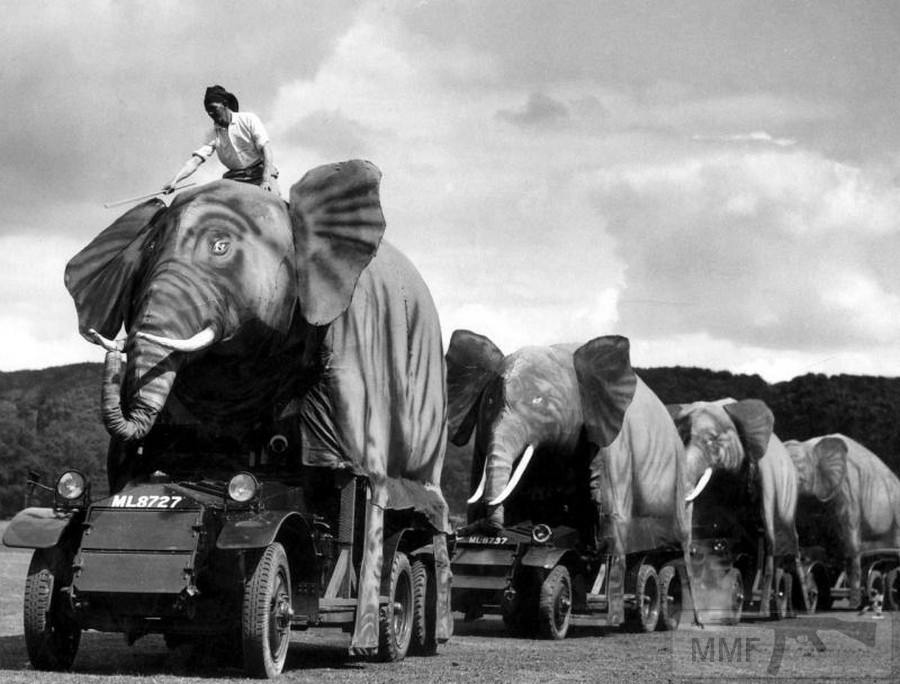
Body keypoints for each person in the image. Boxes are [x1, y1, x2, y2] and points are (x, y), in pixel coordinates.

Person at [163, 85, 280, 196]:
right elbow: (195, 161)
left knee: (276, 205)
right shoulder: (212, 134)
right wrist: (175, 180)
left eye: (213, 108)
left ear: (224, 104)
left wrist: (266, 180)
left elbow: (266, 150)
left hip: (261, 172)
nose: (210, 113)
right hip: (235, 179)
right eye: (208, 111)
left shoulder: (249, 119)